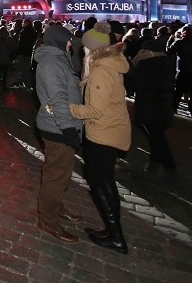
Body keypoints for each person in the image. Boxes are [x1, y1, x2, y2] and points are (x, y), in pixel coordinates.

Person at [69, 22, 131, 254]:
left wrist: (68, 108)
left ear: (91, 49)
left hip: (103, 133)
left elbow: (94, 110)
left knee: (98, 182)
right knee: (105, 181)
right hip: (110, 130)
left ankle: (116, 237)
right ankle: (112, 230)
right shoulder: (108, 64)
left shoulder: (101, 71)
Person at [33, 24, 83, 244]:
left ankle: (56, 207)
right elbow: (58, 100)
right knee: (55, 175)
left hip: (60, 125)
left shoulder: (59, 58)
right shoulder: (52, 63)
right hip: (57, 127)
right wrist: (68, 129)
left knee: (60, 173)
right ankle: (48, 220)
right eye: (69, 40)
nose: (72, 43)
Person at [126, 39, 178, 182]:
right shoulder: (167, 64)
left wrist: (134, 64)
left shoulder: (145, 66)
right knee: (157, 138)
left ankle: (170, 168)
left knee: (157, 139)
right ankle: (152, 166)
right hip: (164, 108)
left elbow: (133, 86)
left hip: (149, 108)